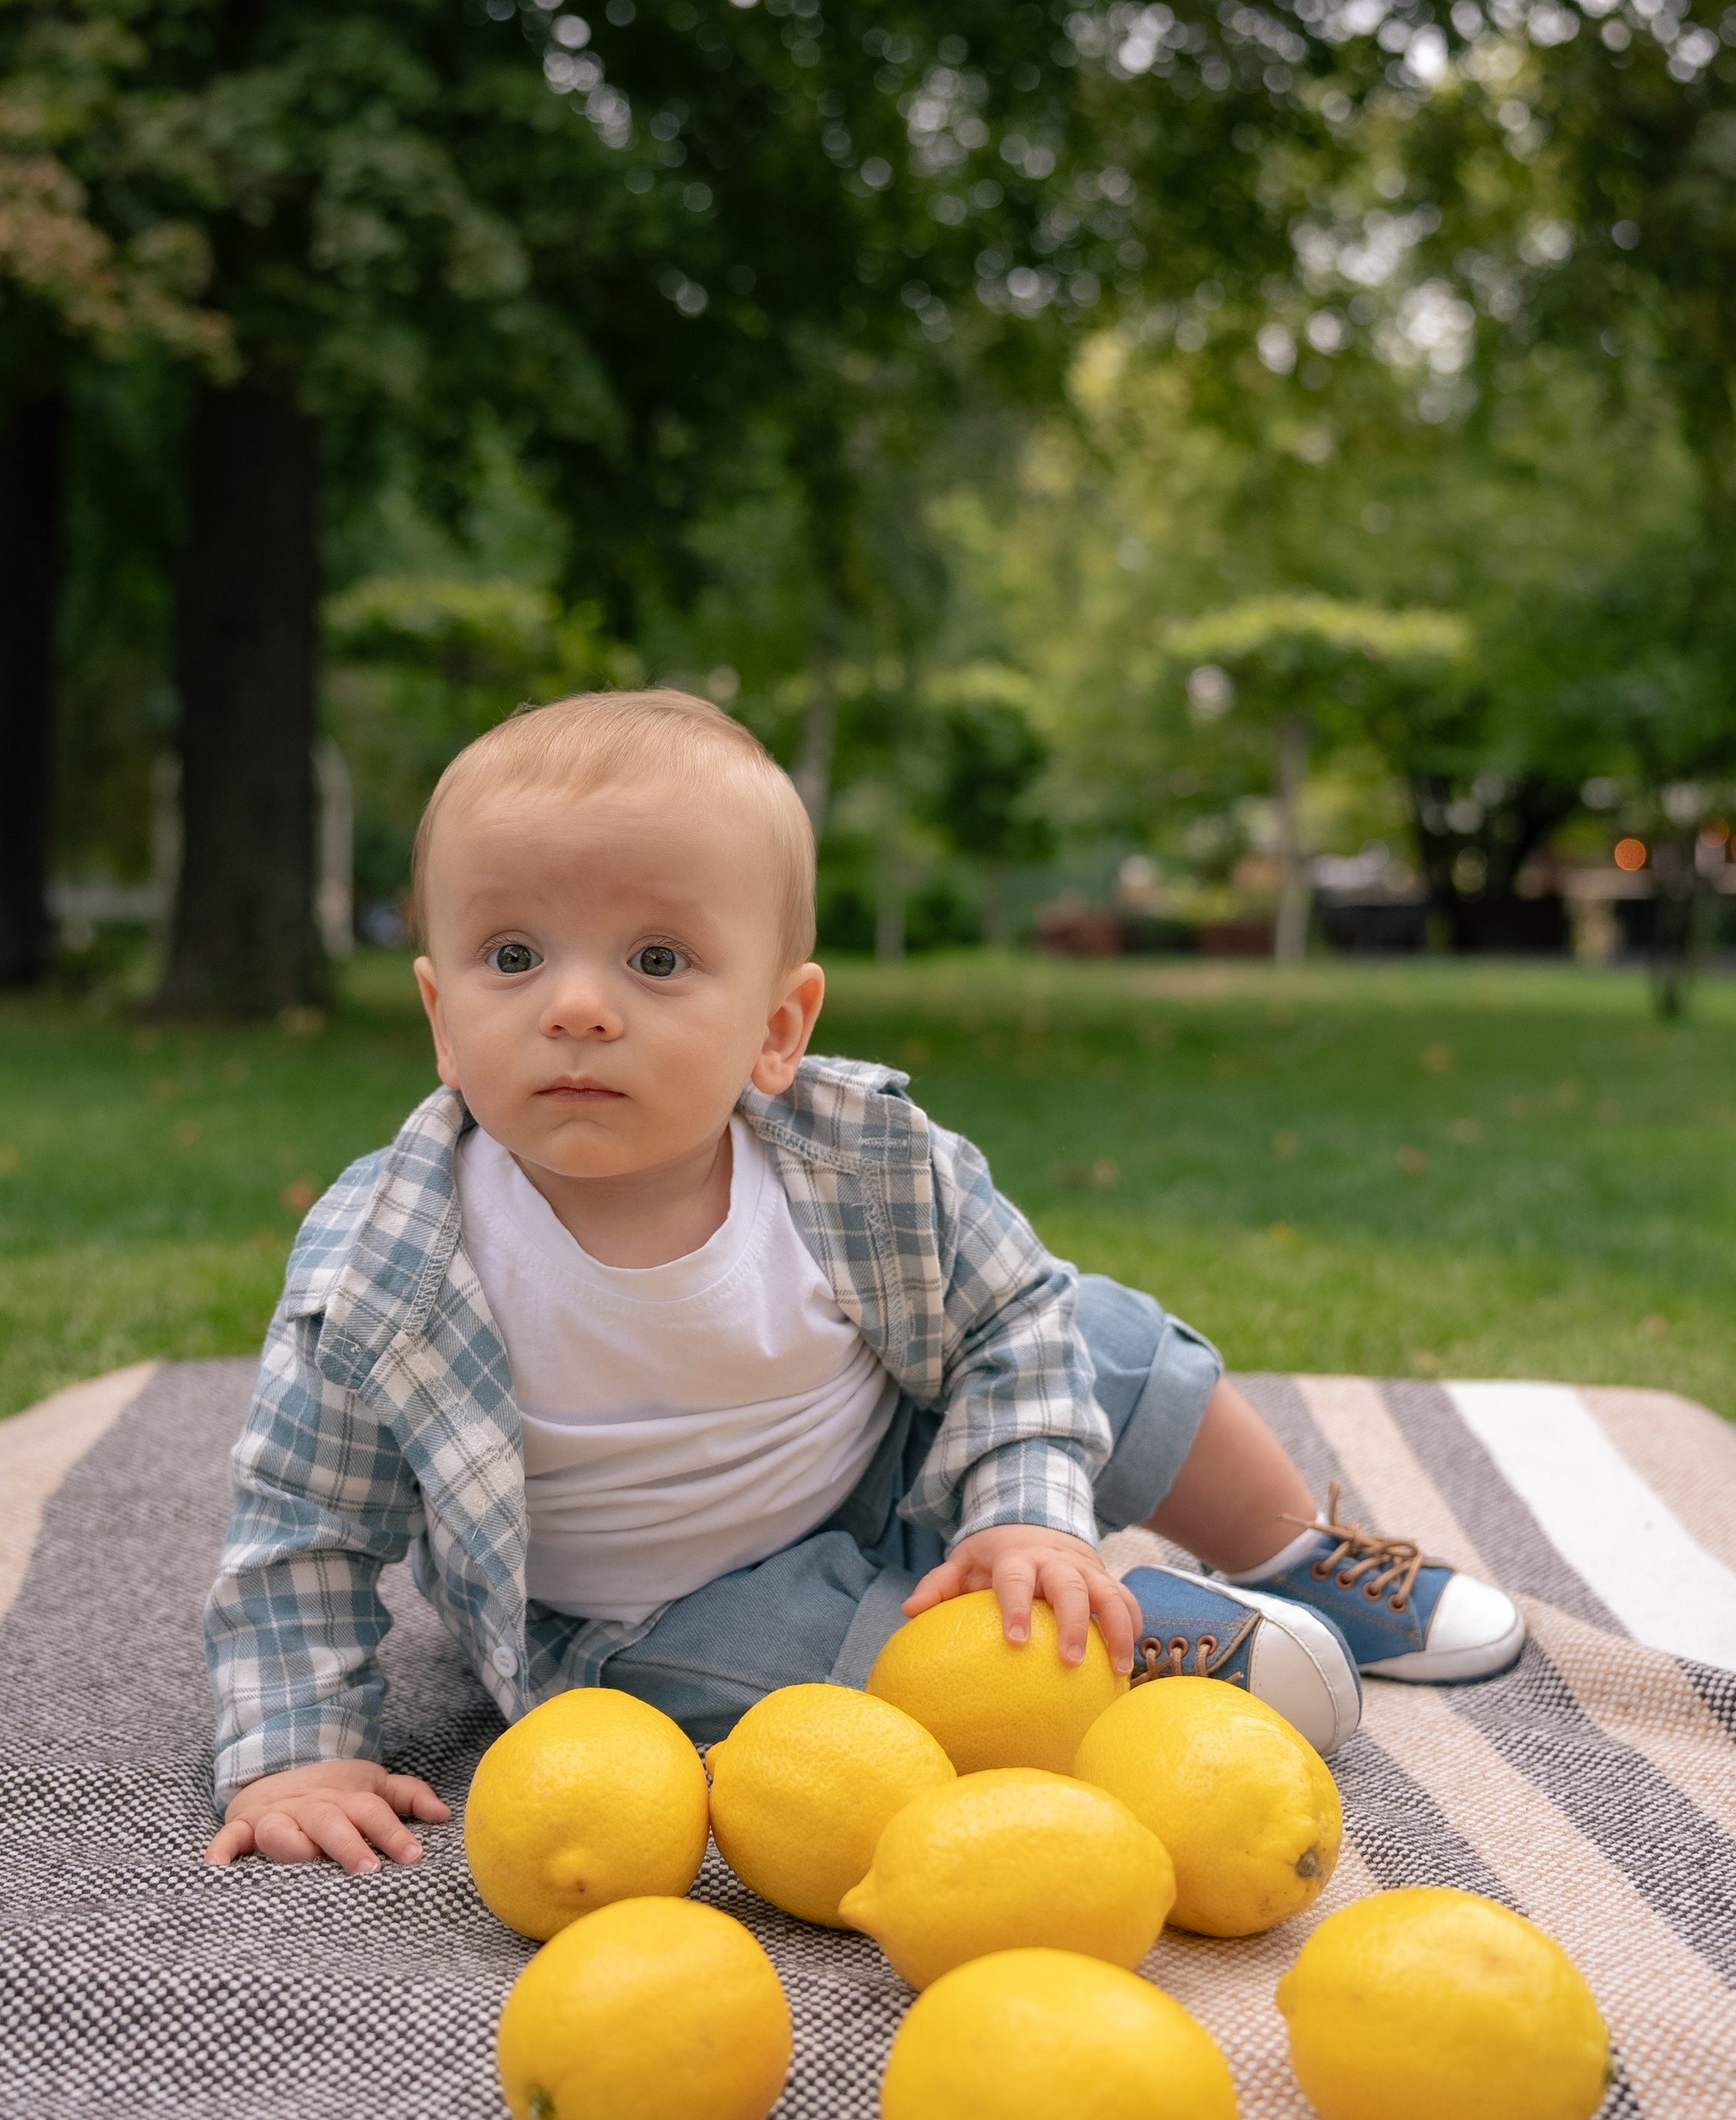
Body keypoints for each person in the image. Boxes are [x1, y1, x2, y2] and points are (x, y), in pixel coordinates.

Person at [204, 689, 1523, 1872]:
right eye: (514, 958)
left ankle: (1292, 1552)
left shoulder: (864, 1163)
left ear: (779, 1028)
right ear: (441, 1015)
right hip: (659, 1606)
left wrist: (1024, 1511)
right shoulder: (389, 1261)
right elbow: (304, 1520)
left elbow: (1014, 1326)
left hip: (889, 1456)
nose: (579, 1007)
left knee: (1100, 1329)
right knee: (784, 1687)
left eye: (656, 961)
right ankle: (1129, 1652)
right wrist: (298, 1749)